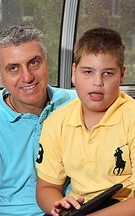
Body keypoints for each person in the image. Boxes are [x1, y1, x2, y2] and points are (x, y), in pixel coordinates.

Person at [0, 24, 77, 216]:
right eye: (13, 68)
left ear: (46, 62)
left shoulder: (77, 104)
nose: (27, 76)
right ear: (0, 75)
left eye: (34, 63)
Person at [36, 27, 135, 216]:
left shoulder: (131, 118)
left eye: (108, 73)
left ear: (122, 75)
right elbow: (45, 187)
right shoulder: (56, 122)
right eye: (88, 71)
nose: (97, 82)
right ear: (74, 72)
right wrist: (57, 205)